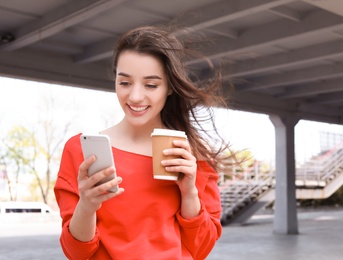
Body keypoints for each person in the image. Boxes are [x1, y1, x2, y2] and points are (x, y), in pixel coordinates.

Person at [54, 25, 234, 260]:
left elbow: (201, 249)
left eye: (151, 85)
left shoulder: (192, 157)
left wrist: (189, 192)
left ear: (169, 87)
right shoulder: (80, 151)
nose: (135, 97)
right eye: (125, 83)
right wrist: (87, 206)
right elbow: (76, 253)